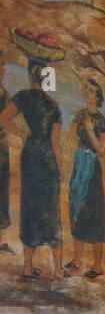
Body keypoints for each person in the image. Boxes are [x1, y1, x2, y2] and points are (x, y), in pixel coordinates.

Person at [1, 50, 66, 280]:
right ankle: (58, 268)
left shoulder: (22, 96)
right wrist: (60, 171)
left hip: (30, 155)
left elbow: (3, 118)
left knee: (29, 208)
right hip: (47, 157)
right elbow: (55, 142)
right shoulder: (52, 104)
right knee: (51, 210)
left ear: (30, 75)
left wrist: (22, 133)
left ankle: (27, 267)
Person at [66, 78, 105, 279]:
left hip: (92, 169)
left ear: (97, 97)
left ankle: (98, 265)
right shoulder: (79, 114)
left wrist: (90, 131)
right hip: (79, 165)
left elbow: (101, 150)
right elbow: (69, 136)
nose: (87, 93)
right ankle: (76, 261)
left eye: (91, 91)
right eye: (86, 90)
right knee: (76, 209)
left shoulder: (101, 121)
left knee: (94, 213)